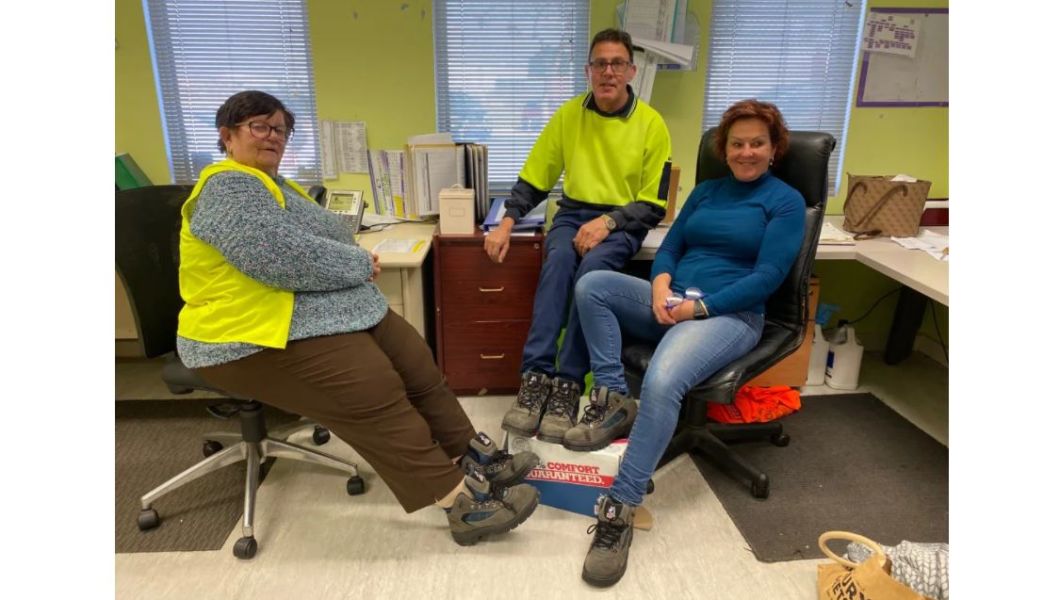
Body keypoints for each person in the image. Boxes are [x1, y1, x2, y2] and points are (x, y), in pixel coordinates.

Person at [176, 90, 540, 546]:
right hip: (239, 335)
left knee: (414, 360)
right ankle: (458, 503)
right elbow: (280, 257)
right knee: (373, 385)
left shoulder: (276, 185)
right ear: (227, 136)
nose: (273, 137)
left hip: (294, 313)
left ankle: (474, 456)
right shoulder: (226, 187)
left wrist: (348, 256)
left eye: (280, 129)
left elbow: (330, 236)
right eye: (259, 126)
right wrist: (356, 264)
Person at [565, 99, 806, 586]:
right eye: (737, 143)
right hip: (674, 302)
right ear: (725, 148)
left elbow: (769, 277)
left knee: (662, 379)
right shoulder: (706, 192)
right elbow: (672, 246)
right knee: (593, 286)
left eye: (757, 142)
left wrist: (698, 308)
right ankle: (614, 399)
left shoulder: (784, 202)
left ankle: (621, 507)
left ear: (774, 148)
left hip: (730, 315)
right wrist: (659, 286)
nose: (746, 152)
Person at [489, 28, 673, 444]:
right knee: (557, 265)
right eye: (600, 64)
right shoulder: (568, 116)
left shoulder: (651, 124)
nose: (608, 72)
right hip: (572, 214)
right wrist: (505, 223)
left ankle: (568, 385)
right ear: (589, 70)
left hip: (622, 222)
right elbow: (534, 179)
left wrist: (608, 223)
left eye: (617, 64)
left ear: (631, 70)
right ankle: (536, 378)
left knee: (589, 276)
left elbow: (654, 203)